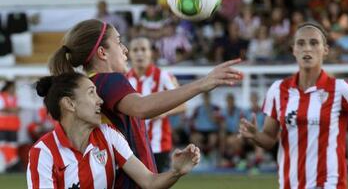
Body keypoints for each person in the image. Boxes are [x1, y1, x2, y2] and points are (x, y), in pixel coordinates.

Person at [48, 19, 242, 189]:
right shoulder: (108, 80)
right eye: (118, 42)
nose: (125, 49)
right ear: (102, 52)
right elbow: (142, 108)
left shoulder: (91, 85)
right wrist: (202, 84)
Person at [239, 22, 348, 189]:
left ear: (325, 50)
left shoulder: (341, 89)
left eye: (314, 43)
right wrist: (255, 135)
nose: (307, 48)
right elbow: (269, 139)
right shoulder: (277, 90)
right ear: (293, 50)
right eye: (301, 43)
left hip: (329, 184)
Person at [27, 73, 200, 189]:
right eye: (91, 93)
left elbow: (149, 181)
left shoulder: (109, 135)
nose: (100, 100)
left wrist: (176, 172)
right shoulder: (43, 152)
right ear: (70, 104)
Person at [126, 37, 186, 172]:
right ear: (129, 54)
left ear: (150, 53)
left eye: (143, 49)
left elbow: (182, 104)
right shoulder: (124, 79)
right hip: (131, 144)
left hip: (158, 144)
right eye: (135, 50)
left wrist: (162, 111)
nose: (139, 54)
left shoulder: (163, 76)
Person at [0, 81, 21, 172]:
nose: (13, 89)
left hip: (13, 127)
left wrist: (10, 110)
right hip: (3, 126)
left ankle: (10, 164)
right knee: (2, 145)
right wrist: (12, 110)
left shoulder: (15, 98)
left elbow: (18, 109)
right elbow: (3, 108)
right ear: (8, 87)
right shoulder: (2, 96)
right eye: (12, 87)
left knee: (13, 146)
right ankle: (3, 165)